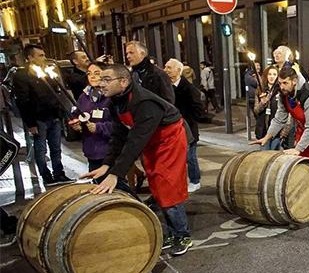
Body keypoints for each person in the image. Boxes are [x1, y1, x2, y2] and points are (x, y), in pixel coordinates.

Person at [82, 64, 192, 256]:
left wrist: (116, 173)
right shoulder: (115, 101)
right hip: (152, 141)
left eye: (107, 79)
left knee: (168, 185)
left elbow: (135, 142)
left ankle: (183, 234)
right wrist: (107, 165)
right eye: (101, 79)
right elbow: (119, 135)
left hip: (170, 139)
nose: (101, 84)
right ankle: (172, 232)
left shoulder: (144, 103)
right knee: (156, 185)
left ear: (123, 82)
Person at [251, 66, 309, 212]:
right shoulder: (284, 94)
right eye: (280, 83)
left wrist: (298, 148)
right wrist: (267, 137)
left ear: (294, 81)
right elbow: (279, 118)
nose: (281, 86)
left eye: (285, 83)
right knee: (304, 163)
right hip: (304, 129)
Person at [12, 44, 73, 186]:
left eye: (44, 55)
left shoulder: (47, 70)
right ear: (30, 57)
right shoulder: (22, 75)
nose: (44, 58)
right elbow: (23, 101)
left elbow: (57, 90)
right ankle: (46, 176)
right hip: (38, 118)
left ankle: (59, 174)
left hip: (53, 115)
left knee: (56, 148)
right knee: (41, 149)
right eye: (40, 55)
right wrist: (31, 123)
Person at [164, 58, 207, 193]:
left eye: (169, 67)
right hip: (172, 130)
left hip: (187, 129)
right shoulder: (165, 87)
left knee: (190, 157)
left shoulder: (189, 88)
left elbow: (199, 110)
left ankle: (195, 180)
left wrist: (186, 120)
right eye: (165, 67)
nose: (165, 70)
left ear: (178, 70)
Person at [68, 61, 113, 171]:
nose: (92, 76)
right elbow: (76, 115)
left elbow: (120, 125)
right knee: (96, 184)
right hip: (91, 150)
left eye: (97, 73)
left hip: (110, 151)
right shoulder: (84, 96)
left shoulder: (112, 96)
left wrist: (98, 127)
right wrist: (76, 124)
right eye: (89, 73)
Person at [253, 65, 289, 149]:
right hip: (263, 131)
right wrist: (262, 103)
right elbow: (256, 111)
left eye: (274, 74)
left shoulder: (281, 91)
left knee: (276, 156)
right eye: (269, 74)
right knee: (265, 157)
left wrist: (284, 131)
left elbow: (287, 112)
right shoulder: (260, 90)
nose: (272, 77)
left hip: (277, 132)